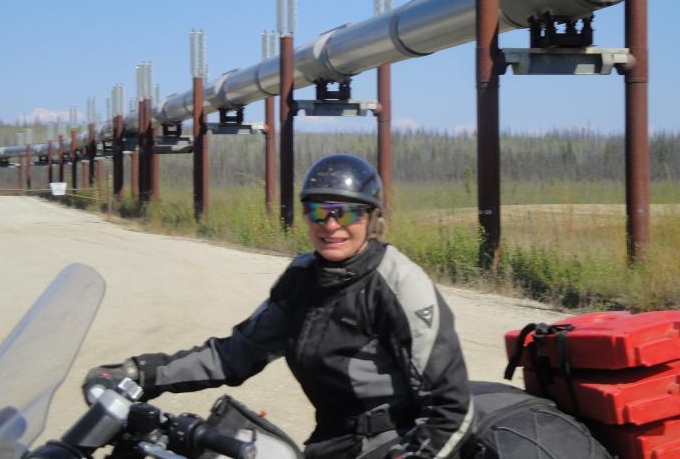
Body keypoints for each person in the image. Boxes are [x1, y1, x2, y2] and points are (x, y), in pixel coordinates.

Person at [84, 154, 473, 459]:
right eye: (318, 210)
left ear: (373, 219)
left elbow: (450, 408)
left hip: (393, 441)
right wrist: (142, 373)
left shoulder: (400, 284)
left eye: (347, 212)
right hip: (331, 440)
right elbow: (236, 354)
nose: (331, 224)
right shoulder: (303, 277)